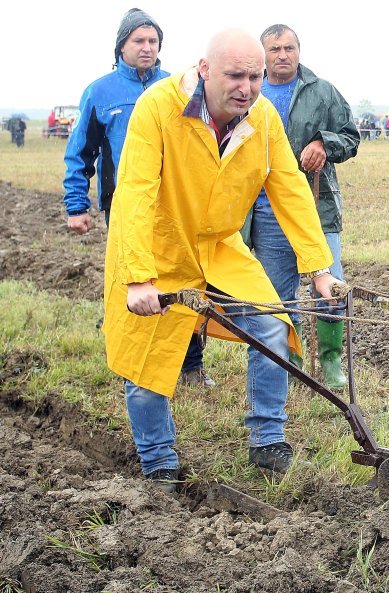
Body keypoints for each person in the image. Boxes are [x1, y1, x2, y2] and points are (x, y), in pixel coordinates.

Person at [104, 29, 344, 491]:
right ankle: (157, 458)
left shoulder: (262, 116)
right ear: (204, 69)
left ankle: (268, 439)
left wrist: (319, 267)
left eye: (255, 77)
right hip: (158, 249)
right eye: (235, 75)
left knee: (272, 323)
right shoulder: (158, 108)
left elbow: (289, 187)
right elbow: (134, 191)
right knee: (148, 357)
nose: (247, 87)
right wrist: (138, 279)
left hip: (218, 247)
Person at [62, 10, 213, 388]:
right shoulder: (100, 92)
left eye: (153, 41)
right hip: (126, 205)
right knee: (135, 279)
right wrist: (76, 205)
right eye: (138, 41)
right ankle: (134, 362)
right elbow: (80, 152)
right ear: (121, 46)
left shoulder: (177, 88)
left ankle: (191, 365)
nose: (147, 48)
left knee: (186, 282)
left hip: (178, 206)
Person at [244, 23, 359, 388]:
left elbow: (351, 137)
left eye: (289, 47)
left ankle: (330, 362)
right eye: (275, 49)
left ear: (299, 51)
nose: (283, 55)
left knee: (329, 286)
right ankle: (289, 359)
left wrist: (325, 144)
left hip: (317, 205)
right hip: (264, 210)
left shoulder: (322, 91)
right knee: (277, 294)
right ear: (262, 55)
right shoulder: (248, 93)